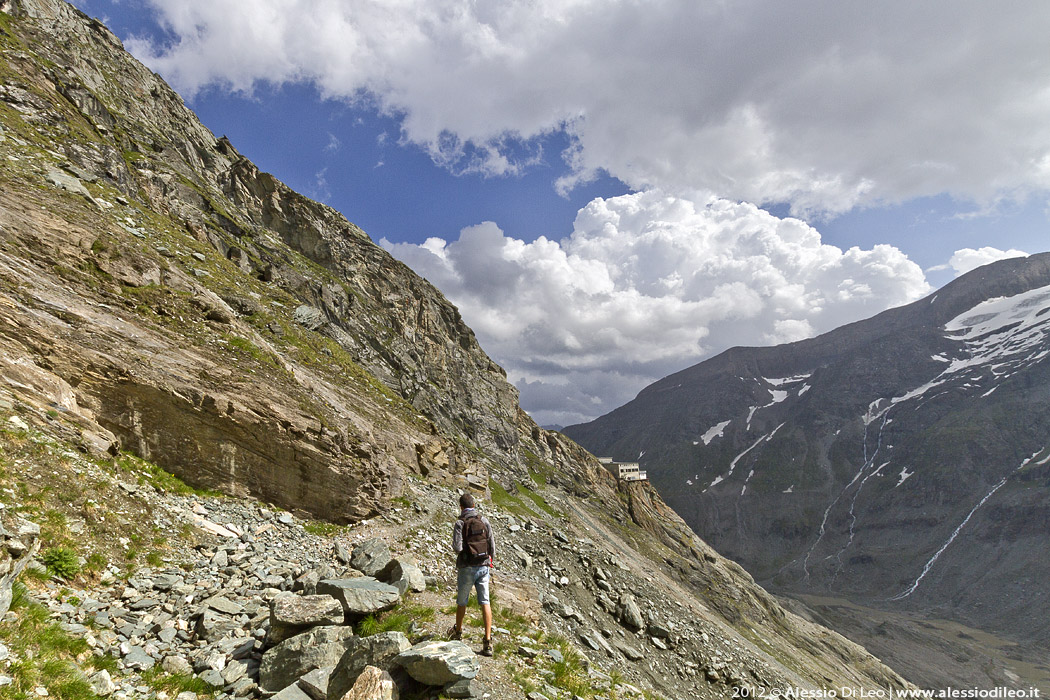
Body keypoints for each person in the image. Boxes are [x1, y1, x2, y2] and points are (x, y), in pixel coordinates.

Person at [449, 492, 495, 656]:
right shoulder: (483, 520)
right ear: (474, 506)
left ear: (461, 507)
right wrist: (490, 562)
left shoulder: (460, 523)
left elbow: (457, 547)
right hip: (483, 566)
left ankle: (458, 633)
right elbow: (491, 543)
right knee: (485, 602)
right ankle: (487, 642)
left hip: (467, 567)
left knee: (462, 601)